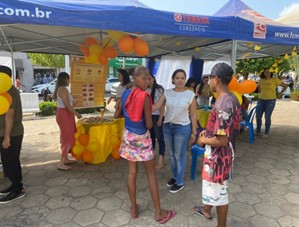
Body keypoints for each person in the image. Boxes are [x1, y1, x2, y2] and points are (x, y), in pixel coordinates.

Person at [118, 66, 176, 224]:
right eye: (143, 78)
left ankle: (134, 208)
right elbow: (149, 124)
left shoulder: (126, 93)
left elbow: (122, 112)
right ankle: (158, 212)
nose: (147, 82)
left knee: (132, 173)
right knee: (151, 174)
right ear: (135, 77)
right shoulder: (144, 96)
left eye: (148, 78)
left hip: (128, 134)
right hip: (141, 137)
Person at [193, 63, 241, 227]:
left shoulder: (222, 104)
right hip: (225, 154)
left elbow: (222, 140)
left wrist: (204, 140)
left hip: (218, 157)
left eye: (210, 78)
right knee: (216, 190)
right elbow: (230, 128)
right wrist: (209, 132)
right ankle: (206, 209)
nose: (209, 81)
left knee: (220, 194)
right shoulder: (231, 98)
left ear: (217, 79)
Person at [153, 69, 197, 193]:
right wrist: (141, 105)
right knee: (171, 155)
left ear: (185, 80)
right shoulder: (167, 93)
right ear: (173, 79)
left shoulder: (190, 95)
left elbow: (193, 114)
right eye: (177, 78)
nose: (180, 80)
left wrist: (194, 132)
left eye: (182, 78)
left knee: (179, 155)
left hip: (182, 128)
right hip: (168, 127)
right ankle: (175, 176)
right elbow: (156, 106)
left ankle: (180, 181)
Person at [0, 66, 25, 204]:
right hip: (5, 132)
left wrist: (7, 136)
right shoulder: (3, 90)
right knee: (9, 161)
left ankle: (18, 189)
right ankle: (14, 185)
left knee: (10, 162)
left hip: (11, 133)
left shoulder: (9, 90)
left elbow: (10, 115)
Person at [53, 72, 82, 171]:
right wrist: (77, 113)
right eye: (68, 79)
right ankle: (61, 162)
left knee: (67, 136)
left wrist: (74, 106)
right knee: (67, 138)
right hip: (65, 115)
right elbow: (67, 106)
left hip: (65, 114)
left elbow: (67, 106)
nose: (69, 81)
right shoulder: (63, 89)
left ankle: (65, 159)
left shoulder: (60, 89)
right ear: (65, 79)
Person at [255, 68, 288, 137]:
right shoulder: (261, 80)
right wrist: (260, 91)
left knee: (267, 117)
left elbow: (285, 86)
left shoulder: (274, 80)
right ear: (263, 73)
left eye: (268, 72)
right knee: (258, 116)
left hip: (270, 100)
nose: (267, 73)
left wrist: (280, 93)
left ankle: (266, 133)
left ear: (271, 73)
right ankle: (258, 131)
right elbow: (259, 87)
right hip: (261, 100)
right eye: (265, 72)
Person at [147, 73, 166, 170]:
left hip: (158, 116)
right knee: (151, 138)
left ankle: (161, 160)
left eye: (150, 79)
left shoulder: (159, 89)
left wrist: (160, 118)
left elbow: (162, 106)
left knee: (160, 138)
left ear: (154, 79)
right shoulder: (146, 90)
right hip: (149, 117)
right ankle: (152, 157)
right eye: (147, 79)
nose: (148, 81)